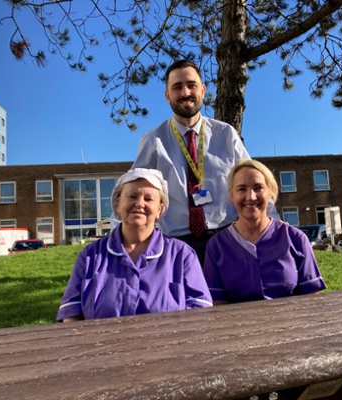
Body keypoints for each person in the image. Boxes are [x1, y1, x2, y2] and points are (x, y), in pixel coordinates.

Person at [130, 59, 279, 263]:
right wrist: (119, 237)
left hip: (227, 239)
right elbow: (132, 192)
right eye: (177, 87)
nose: (185, 93)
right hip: (175, 246)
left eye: (191, 85)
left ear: (203, 90)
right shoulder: (153, 141)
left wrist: (274, 226)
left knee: (230, 296)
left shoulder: (226, 134)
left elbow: (254, 183)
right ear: (167, 96)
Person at [57, 168, 212, 322]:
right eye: (132, 196)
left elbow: (200, 314)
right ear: (117, 204)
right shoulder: (90, 256)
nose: (139, 204)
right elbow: (71, 314)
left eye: (149, 199)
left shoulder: (182, 255)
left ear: (159, 210)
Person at [203, 159, 326, 305]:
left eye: (258, 188)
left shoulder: (295, 238)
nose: (251, 197)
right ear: (231, 195)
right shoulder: (217, 245)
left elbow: (310, 298)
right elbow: (218, 304)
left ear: (270, 192)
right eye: (241, 189)